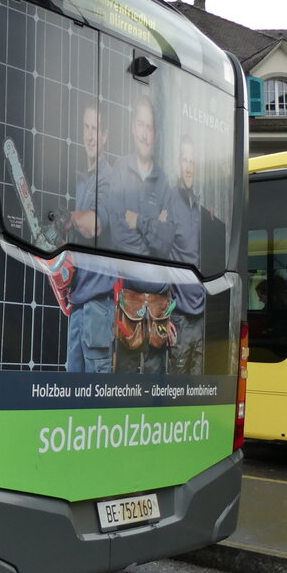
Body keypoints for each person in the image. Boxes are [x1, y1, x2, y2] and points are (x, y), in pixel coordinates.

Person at [103, 94, 176, 373]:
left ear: (155, 135)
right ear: (133, 128)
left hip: (159, 306)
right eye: (141, 125)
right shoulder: (120, 170)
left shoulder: (164, 179)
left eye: (150, 128)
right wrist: (154, 227)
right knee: (124, 391)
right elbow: (119, 235)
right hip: (128, 304)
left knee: (156, 396)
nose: (145, 134)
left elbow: (167, 239)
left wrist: (140, 222)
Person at [64, 102, 116, 373]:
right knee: (71, 396)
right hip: (79, 303)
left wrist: (70, 217)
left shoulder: (110, 178)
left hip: (98, 306)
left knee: (96, 395)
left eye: (95, 129)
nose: (90, 135)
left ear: (105, 136)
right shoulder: (82, 180)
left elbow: (95, 224)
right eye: (86, 127)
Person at [168, 135, 205, 373]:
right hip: (178, 319)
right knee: (175, 398)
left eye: (192, 161)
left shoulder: (201, 208)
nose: (189, 167)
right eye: (184, 160)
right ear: (177, 164)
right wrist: (165, 316)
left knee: (196, 396)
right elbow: (157, 258)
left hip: (201, 317)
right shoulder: (169, 202)